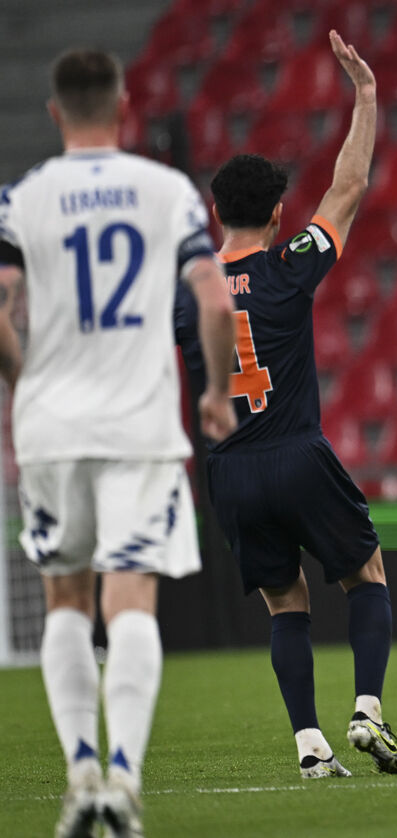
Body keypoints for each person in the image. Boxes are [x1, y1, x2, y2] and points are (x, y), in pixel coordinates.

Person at [0, 48, 236, 837]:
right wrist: (211, 390)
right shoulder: (166, 192)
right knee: (130, 596)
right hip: (139, 426)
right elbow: (211, 295)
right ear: (125, 106)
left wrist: (23, 381)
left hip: (52, 428)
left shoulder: (23, 200)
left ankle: (80, 777)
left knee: (65, 597)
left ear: (56, 113)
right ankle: (125, 781)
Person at [174, 32, 397, 781]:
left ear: (216, 212)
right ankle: (367, 708)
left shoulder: (186, 292)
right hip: (297, 453)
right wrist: (366, 97)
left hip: (230, 471)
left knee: (286, 606)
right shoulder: (287, 269)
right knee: (366, 574)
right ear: (278, 212)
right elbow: (348, 187)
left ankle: (309, 743)